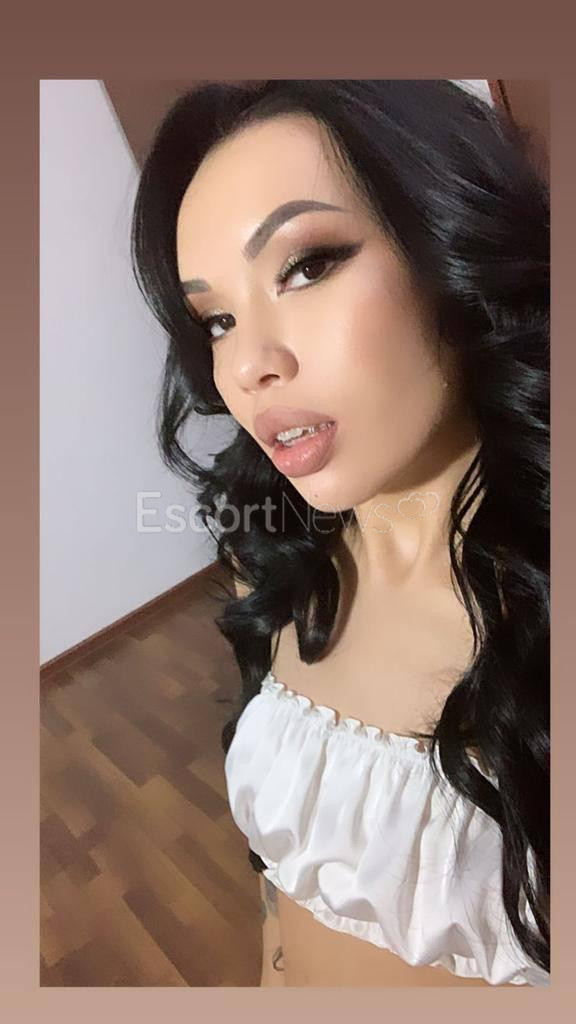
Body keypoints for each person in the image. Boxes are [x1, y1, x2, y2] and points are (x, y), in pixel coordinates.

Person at [130, 80, 550, 987]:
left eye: (307, 265)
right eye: (217, 320)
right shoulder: (277, 565)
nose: (249, 365)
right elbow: (285, 883)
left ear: (448, 242)